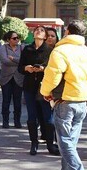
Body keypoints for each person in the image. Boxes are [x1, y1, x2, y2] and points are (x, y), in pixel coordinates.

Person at [40, 20, 87, 170]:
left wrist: (45, 91)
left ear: (67, 31)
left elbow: (52, 75)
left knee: (64, 142)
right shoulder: (86, 50)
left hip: (65, 101)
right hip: (82, 100)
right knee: (70, 142)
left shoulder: (61, 50)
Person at [18, 25, 59, 156]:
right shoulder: (27, 49)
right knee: (31, 117)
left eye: (42, 30)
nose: (38, 31)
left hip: (44, 87)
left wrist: (43, 69)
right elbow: (20, 67)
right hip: (29, 86)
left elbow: (54, 69)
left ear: (45, 36)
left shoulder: (50, 50)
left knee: (48, 118)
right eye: (37, 30)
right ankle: (33, 142)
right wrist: (27, 68)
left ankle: (50, 144)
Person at [0, 31, 24, 129]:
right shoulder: (3, 48)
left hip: (19, 78)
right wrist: (18, 61)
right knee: (6, 100)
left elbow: (23, 61)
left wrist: (13, 58)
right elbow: (4, 60)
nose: (16, 39)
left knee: (18, 101)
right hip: (6, 78)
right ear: (8, 39)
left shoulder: (22, 48)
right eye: (14, 38)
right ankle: (5, 121)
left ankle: (17, 121)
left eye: (17, 38)